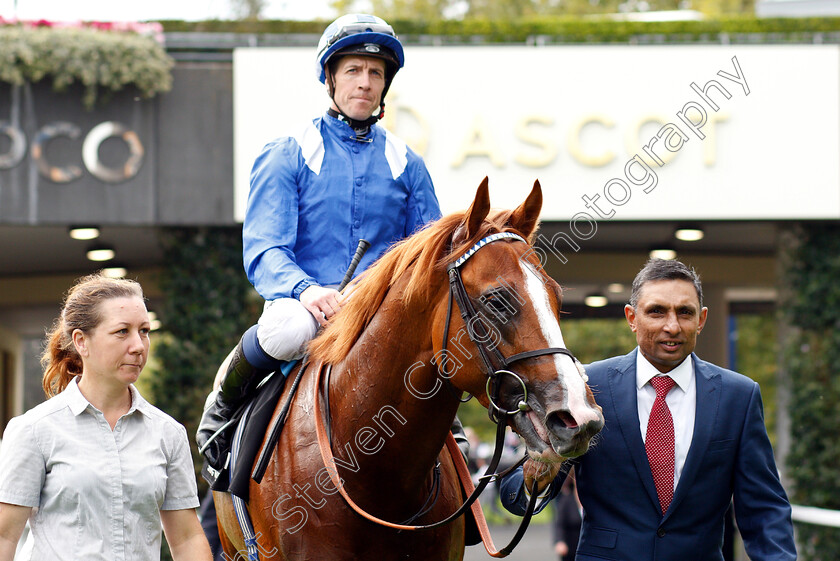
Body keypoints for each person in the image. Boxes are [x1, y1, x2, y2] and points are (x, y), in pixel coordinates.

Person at [196, 13, 441, 479]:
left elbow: (426, 258)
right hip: (304, 306)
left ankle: (454, 452)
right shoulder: (286, 152)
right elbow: (265, 248)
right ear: (330, 78)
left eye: (375, 73)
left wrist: (375, 291)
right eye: (353, 70)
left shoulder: (409, 164)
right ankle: (223, 410)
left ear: (385, 84)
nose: (365, 83)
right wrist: (308, 290)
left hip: (378, 310)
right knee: (288, 330)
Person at [500, 258, 796, 561]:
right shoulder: (585, 387)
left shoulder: (739, 397)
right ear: (632, 317)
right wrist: (537, 476)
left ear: (702, 319)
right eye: (657, 311)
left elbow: (764, 510)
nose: (672, 326)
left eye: (685, 312)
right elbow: (514, 498)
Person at [0, 274, 211, 561]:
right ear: (81, 342)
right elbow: (4, 536)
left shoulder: (168, 433)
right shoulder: (34, 430)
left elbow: (187, 538)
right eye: (122, 331)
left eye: (145, 331)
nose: (138, 345)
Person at [551, 473, 582, 561]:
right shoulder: (566, 499)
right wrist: (560, 541)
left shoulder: (594, 501)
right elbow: (559, 523)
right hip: (571, 549)